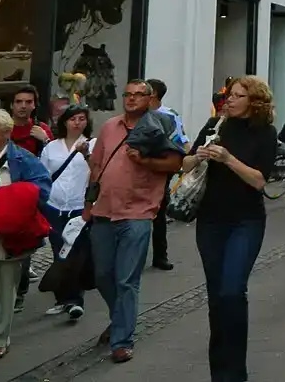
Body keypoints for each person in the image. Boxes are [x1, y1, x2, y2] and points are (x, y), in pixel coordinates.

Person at [183, 75, 276, 382]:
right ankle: (219, 372)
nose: (230, 100)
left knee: (232, 291)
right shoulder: (214, 126)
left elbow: (259, 180)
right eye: (229, 95)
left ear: (254, 102)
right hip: (210, 221)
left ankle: (236, 373)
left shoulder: (264, 133)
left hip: (245, 221)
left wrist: (227, 158)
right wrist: (198, 156)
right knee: (216, 297)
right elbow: (184, 164)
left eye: (237, 96)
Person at [84, 79, 184, 364]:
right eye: (127, 94)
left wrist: (145, 162)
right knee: (103, 274)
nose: (131, 99)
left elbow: (176, 163)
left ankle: (122, 340)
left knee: (127, 279)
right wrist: (87, 204)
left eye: (138, 95)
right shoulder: (109, 127)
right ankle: (120, 319)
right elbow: (96, 167)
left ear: (150, 98)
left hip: (138, 211)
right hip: (104, 210)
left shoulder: (159, 126)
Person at [0, 109, 51, 362]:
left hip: (5, 232)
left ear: (7, 133)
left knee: (2, 288)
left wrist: (15, 204)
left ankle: (0, 338)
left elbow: (42, 187)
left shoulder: (21, 159)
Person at [39, 104, 95, 321]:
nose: (77, 122)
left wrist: (87, 154)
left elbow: (97, 171)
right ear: (64, 122)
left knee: (75, 254)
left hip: (79, 206)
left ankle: (74, 300)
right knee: (58, 252)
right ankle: (61, 298)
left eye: (82, 118)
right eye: (73, 119)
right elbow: (43, 176)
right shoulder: (51, 147)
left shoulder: (93, 144)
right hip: (54, 206)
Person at [147, 79, 186, 272]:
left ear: (153, 93)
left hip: (161, 169)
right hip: (139, 169)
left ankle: (160, 255)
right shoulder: (138, 113)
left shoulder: (170, 116)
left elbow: (180, 138)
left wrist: (181, 161)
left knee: (158, 214)